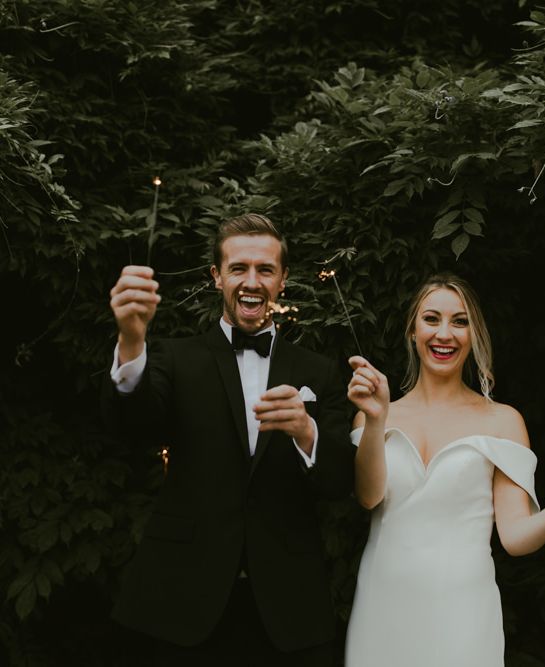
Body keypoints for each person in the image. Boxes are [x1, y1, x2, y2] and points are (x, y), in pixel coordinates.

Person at [102, 213, 355, 666]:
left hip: (289, 611)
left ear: (283, 279)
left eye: (265, 269)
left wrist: (306, 430)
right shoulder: (174, 357)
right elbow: (133, 429)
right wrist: (132, 338)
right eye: (238, 268)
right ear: (217, 276)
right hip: (182, 604)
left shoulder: (319, 371)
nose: (251, 281)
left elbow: (340, 484)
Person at [344, 273, 545, 667]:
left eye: (460, 322)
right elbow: (368, 496)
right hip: (382, 604)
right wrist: (375, 420)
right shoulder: (374, 414)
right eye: (432, 319)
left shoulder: (502, 421)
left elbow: (514, 536)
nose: (445, 334)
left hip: (463, 609)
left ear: (474, 334)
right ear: (412, 330)